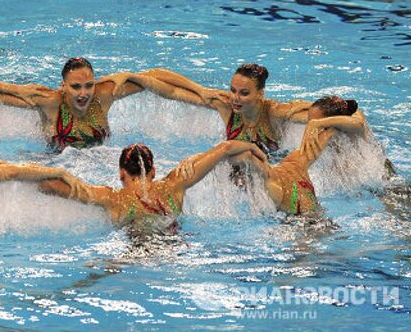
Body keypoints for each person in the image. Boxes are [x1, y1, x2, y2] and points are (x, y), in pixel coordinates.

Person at [0, 57, 199, 150]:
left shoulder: (103, 96)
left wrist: (202, 92)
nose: (83, 93)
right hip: (54, 160)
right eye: (75, 87)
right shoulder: (50, 102)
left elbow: (156, 75)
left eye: (88, 85)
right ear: (63, 87)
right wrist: (14, 89)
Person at [40, 140, 267, 233]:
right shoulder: (174, 184)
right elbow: (226, 148)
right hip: (175, 249)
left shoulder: (112, 197)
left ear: (121, 174)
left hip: (134, 253)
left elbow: (52, 186)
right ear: (153, 172)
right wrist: (255, 150)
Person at [103, 63, 313, 154]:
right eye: (233, 90)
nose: (236, 98)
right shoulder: (226, 105)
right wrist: (133, 76)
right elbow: (170, 89)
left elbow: (320, 116)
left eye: (244, 93)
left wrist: (314, 108)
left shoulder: (276, 112)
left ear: (260, 94)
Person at [242, 95, 365, 215]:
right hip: (349, 192)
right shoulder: (324, 134)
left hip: (378, 186)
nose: (309, 129)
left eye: (319, 123)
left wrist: (316, 124)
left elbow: (358, 124)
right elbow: (286, 114)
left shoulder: (352, 122)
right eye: (309, 121)